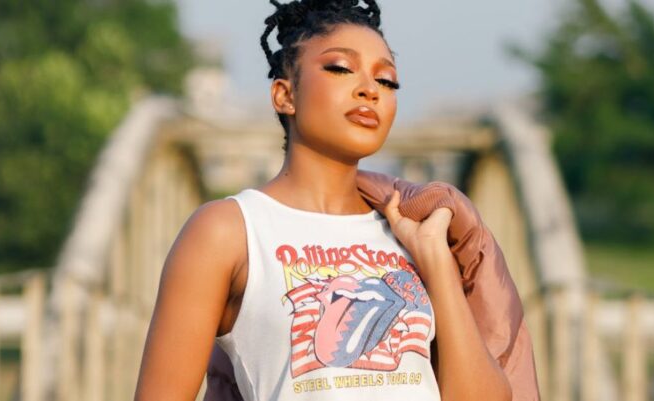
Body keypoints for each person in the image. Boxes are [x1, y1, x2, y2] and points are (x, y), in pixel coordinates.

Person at [134, 1, 513, 400]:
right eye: (340, 68)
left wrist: (435, 258)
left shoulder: (413, 232)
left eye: (387, 81)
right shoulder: (228, 230)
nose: (370, 89)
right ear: (285, 94)